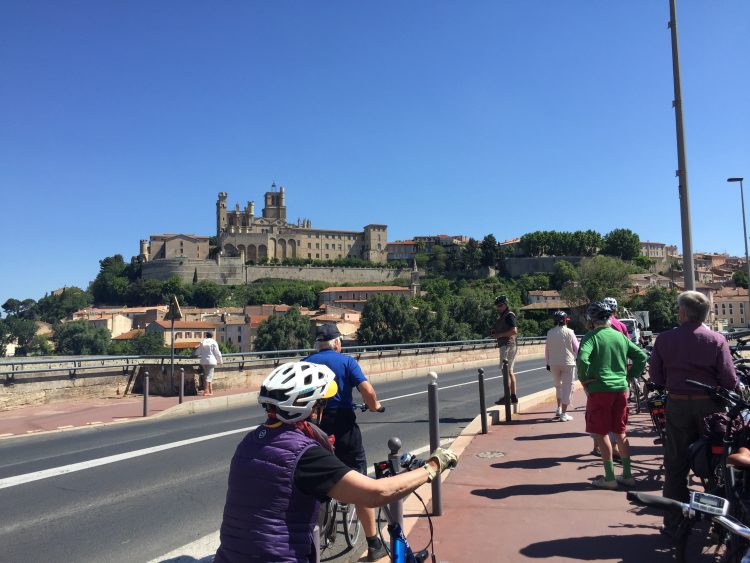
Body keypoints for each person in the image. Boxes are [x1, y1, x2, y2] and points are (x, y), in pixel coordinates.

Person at [214, 361, 457, 563]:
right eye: (322, 403)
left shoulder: (250, 441)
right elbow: (377, 493)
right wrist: (433, 466)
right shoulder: (304, 455)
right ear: (310, 408)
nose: (323, 409)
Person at [648, 290, 737, 535]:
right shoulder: (717, 340)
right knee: (717, 460)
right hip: (710, 407)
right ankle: (719, 520)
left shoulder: (664, 339)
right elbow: (729, 380)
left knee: (676, 463)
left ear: (684, 313)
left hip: (677, 405)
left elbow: (656, 377)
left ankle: (673, 521)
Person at [303, 324, 387, 561]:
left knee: (311, 479)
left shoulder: (305, 362)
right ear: (337, 342)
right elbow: (367, 391)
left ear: (318, 343)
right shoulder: (347, 362)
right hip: (343, 428)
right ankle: (373, 544)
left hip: (314, 426)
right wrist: (376, 407)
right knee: (359, 482)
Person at [577, 301, 648, 489]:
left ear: (591, 319)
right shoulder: (619, 336)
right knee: (620, 432)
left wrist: (584, 379)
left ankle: (609, 478)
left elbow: (583, 358)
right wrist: (630, 375)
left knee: (601, 433)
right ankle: (627, 475)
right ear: (609, 317)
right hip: (620, 389)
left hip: (600, 390)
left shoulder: (591, 337)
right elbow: (641, 356)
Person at [545, 310, 579, 421]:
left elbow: (547, 350)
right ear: (564, 321)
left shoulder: (549, 333)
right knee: (568, 387)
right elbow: (577, 349)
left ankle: (558, 408)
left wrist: (548, 363)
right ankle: (564, 413)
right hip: (568, 363)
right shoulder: (570, 332)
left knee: (558, 386)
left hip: (554, 363)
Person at [492, 295, 519, 405]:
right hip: (508, 344)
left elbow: (514, 331)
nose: (498, 307)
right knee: (509, 371)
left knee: (506, 371)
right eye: (497, 306)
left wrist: (499, 335)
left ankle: (508, 397)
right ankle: (513, 397)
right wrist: (495, 333)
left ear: (505, 304)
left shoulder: (509, 315)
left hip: (508, 345)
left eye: (500, 305)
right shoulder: (503, 316)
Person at [194, 331, 222, 396]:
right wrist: (220, 361)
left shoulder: (202, 342)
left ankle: (210, 390)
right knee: (209, 376)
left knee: (207, 375)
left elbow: (198, 352)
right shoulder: (214, 342)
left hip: (203, 361)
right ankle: (206, 391)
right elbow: (217, 353)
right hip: (211, 361)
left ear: (206, 335)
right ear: (212, 336)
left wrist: (195, 353)